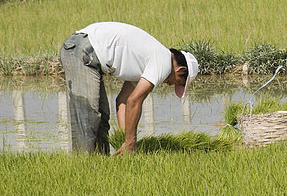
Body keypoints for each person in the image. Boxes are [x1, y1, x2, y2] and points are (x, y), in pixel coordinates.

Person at [60, 22, 199, 154]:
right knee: (88, 115)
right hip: (82, 49)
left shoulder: (150, 61)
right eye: (179, 82)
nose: (171, 85)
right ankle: (83, 164)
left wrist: (125, 139)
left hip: (87, 52)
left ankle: (100, 164)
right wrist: (131, 141)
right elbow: (134, 101)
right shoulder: (163, 61)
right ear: (180, 70)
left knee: (102, 115)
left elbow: (123, 101)